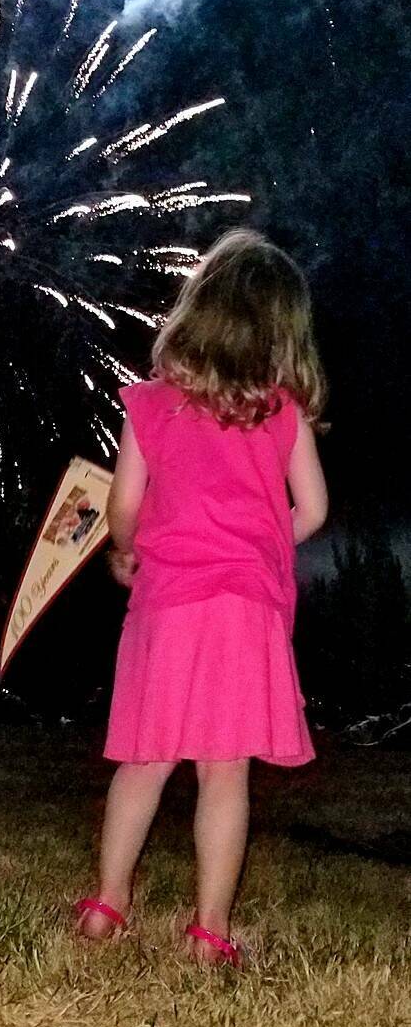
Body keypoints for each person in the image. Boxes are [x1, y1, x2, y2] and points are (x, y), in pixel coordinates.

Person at [75, 228, 328, 967]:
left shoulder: (150, 403)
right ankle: (210, 931)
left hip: (168, 604)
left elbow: (124, 506)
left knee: (145, 759)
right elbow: (312, 510)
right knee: (226, 770)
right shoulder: (283, 411)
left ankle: (106, 903)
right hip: (243, 609)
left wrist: (129, 547)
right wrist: (256, 533)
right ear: (282, 330)